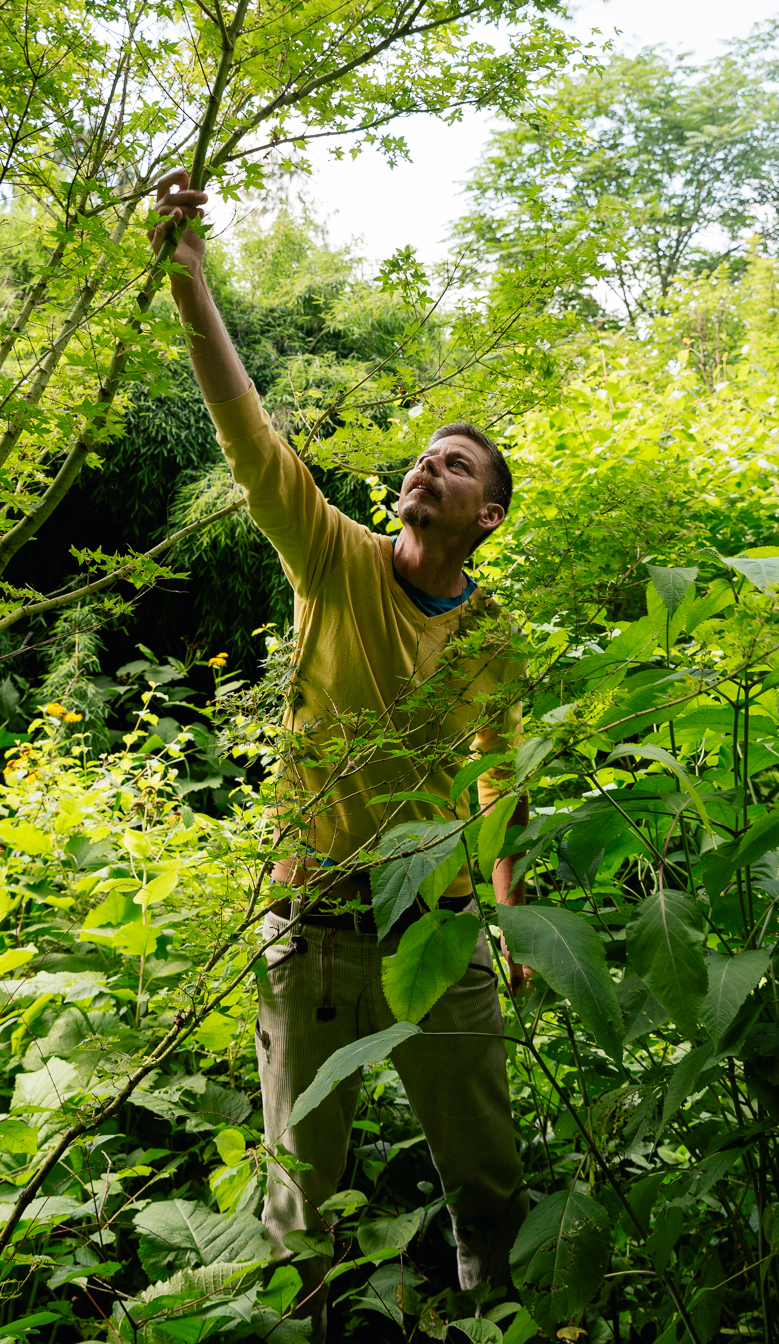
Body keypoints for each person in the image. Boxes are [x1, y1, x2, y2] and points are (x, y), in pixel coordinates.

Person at [150, 170, 531, 1340]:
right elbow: (248, 434)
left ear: (486, 515)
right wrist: (189, 278)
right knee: (297, 1198)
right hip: (311, 931)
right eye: (422, 457)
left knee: (490, 1183)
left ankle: (496, 1318)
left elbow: (496, 770)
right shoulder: (334, 559)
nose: (427, 468)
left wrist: (507, 915)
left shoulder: (493, 629)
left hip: (442, 937)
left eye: (455, 465)